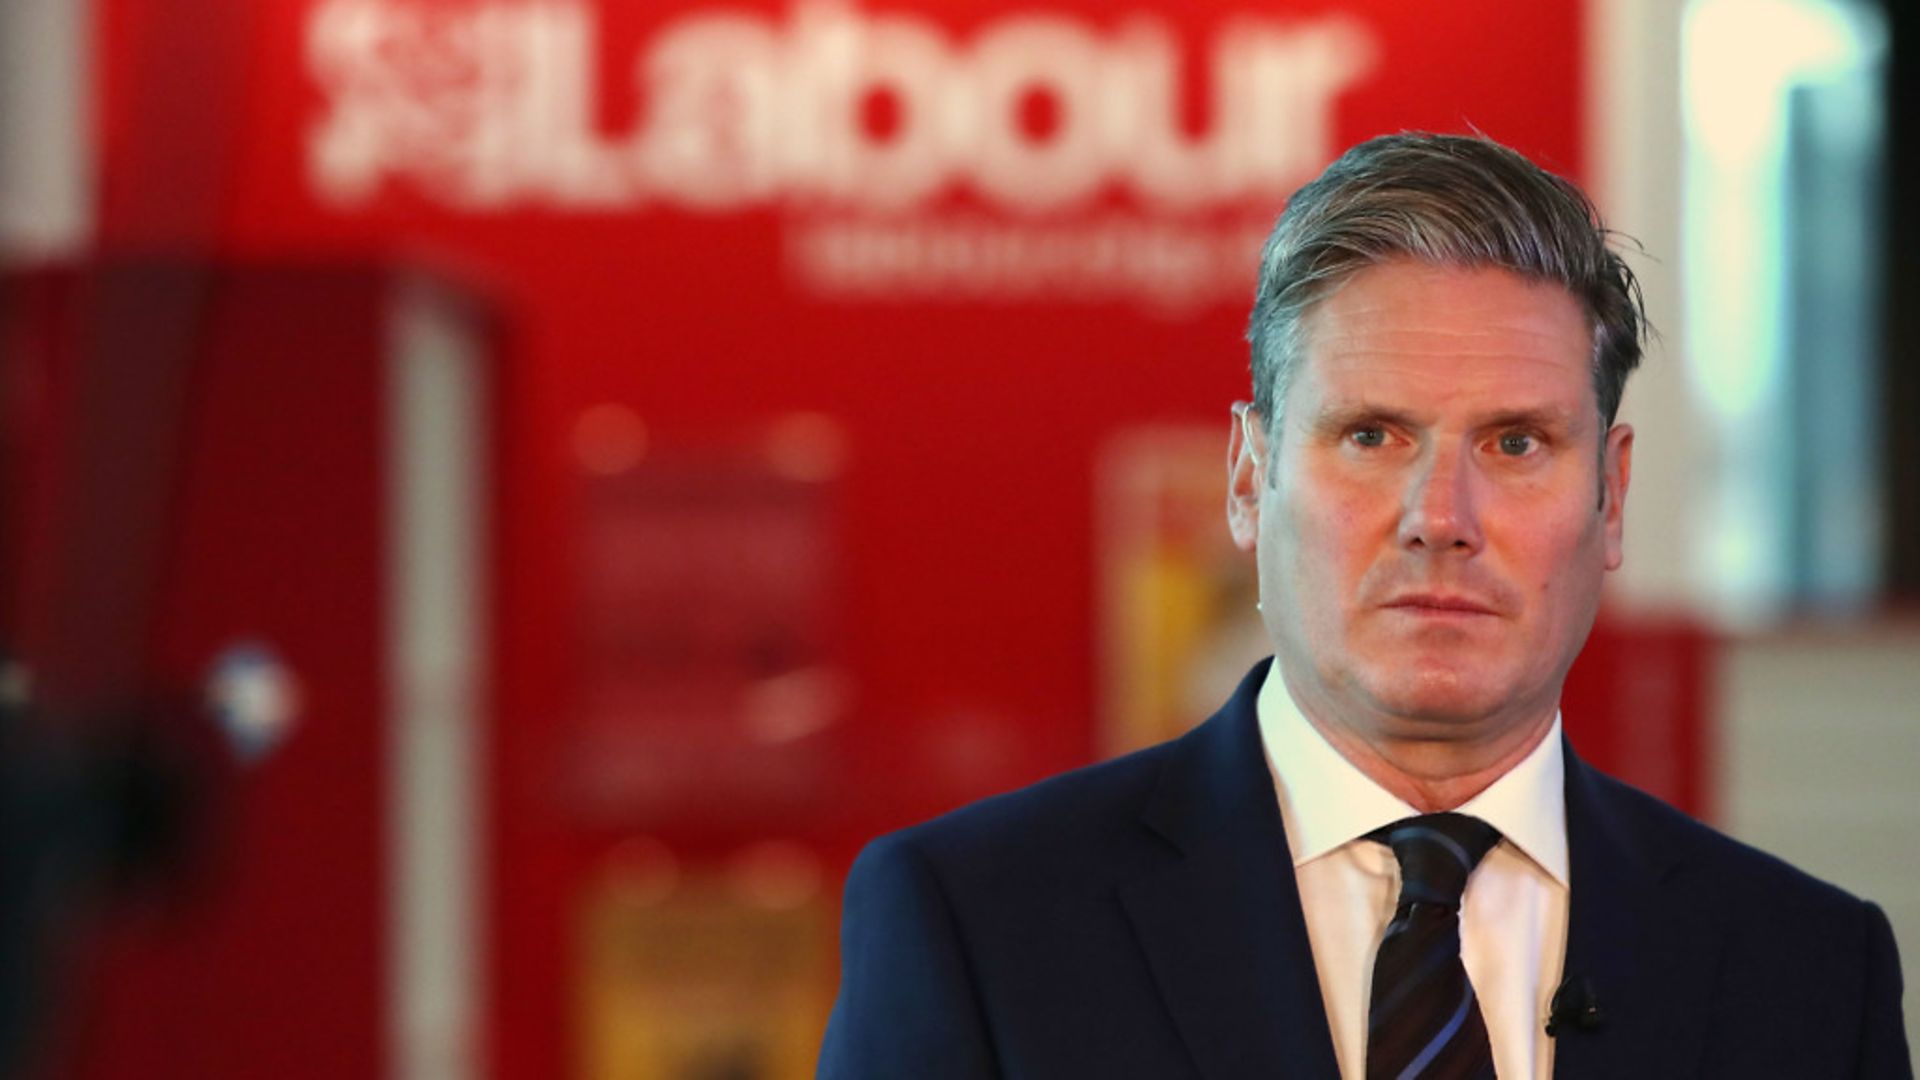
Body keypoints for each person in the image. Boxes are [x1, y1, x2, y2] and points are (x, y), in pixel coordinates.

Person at [816, 133, 1911, 1078]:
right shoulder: (979, 925)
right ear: (1250, 480)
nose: (1441, 516)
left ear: (1611, 498)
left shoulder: (1808, 969)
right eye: (1372, 436)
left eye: (1516, 442)